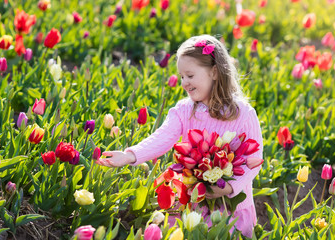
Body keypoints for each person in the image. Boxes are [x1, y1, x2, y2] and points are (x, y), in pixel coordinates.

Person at [95, 34, 263, 238]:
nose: (184, 83)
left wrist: (228, 187)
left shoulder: (243, 114)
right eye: (182, 76)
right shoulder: (184, 110)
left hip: (230, 206)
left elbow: (253, 161)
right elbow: (162, 137)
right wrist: (130, 155)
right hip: (191, 201)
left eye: (190, 76)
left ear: (215, 72)